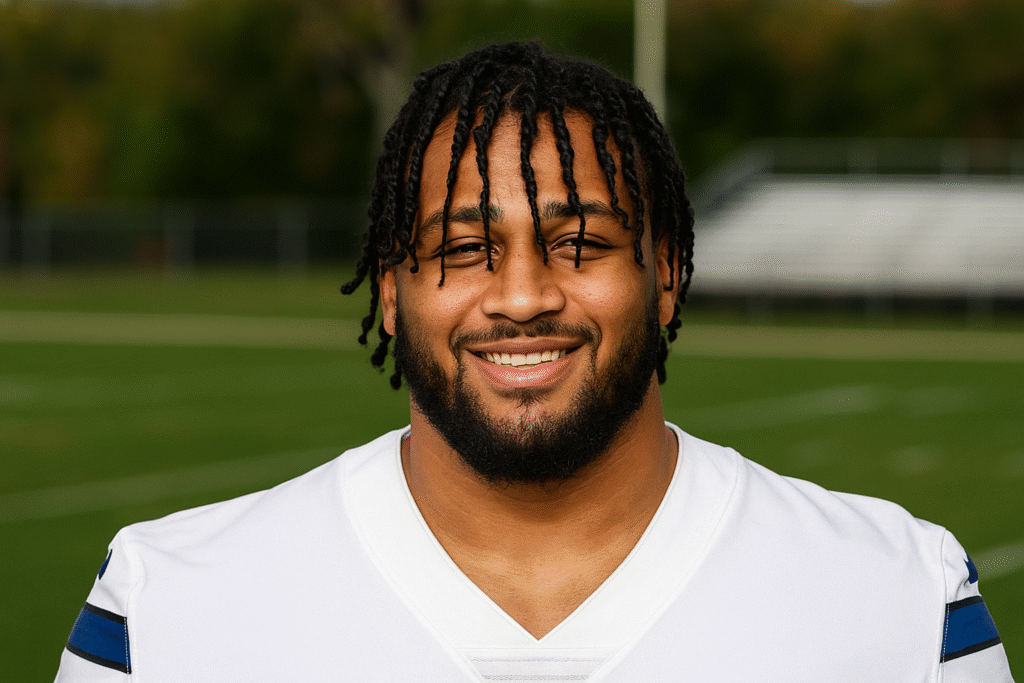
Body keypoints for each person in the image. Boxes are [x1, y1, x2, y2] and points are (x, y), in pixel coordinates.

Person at [55, 42, 1013, 682]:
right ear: (390, 292)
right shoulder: (166, 610)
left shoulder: (900, 598)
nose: (522, 296)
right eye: (465, 250)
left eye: (581, 243)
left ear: (667, 273)